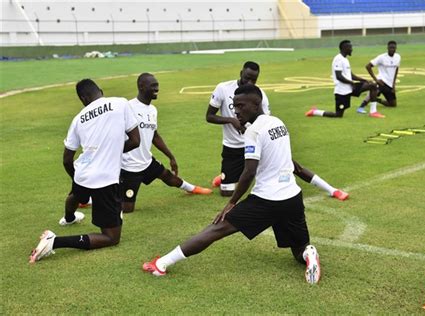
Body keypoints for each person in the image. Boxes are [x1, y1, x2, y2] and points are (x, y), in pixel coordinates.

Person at [143, 84, 322, 284]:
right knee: (299, 250)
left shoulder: (253, 132)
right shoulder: (278, 122)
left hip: (267, 200)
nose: (235, 110)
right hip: (292, 198)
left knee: (216, 229)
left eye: (241, 106)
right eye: (234, 106)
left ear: (256, 104)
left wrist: (232, 203)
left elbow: (249, 171)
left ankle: (162, 264)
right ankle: (309, 254)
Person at [29, 79, 140, 263]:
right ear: (101, 91)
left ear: (83, 98)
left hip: (82, 172)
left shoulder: (78, 119)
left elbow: (67, 159)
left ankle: (69, 217)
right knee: (111, 237)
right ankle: (53, 242)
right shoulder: (121, 103)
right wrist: (112, 151)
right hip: (105, 179)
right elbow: (135, 140)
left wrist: (76, 178)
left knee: (76, 195)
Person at [121, 73, 211, 213]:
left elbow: (154, 135)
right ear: (141, 86)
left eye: (157, 85)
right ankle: (88, 199)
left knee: (168, 177)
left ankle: (193, 189)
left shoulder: (152, 110)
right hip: (129, 166)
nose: (157, 88)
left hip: (146, 161)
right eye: (153, 86)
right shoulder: (127, 107)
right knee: (127, 208)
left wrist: (171, 157)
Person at [206, 61, 270, 196]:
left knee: (267, 184)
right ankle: (228, 175)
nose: (250, 82)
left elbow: (265, 122)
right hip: (232, 147)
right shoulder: (223, 88)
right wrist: (231, 121)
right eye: (247, 77)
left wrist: (250, 129)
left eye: (254, 79)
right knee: (226, 192)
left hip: (253, 144)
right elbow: (209, 116)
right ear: (241, 74)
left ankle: (242, 173)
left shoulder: (260, 95)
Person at [305, 40, 384, 118]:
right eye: (350, 47)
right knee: (338, 115)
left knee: (373, 85)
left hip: (350, 87)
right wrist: (351, 83)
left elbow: (350, 75)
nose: (352, 49)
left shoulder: (345, 59)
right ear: (344, 48)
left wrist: (364, 80)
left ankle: (373, 112)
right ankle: (314, 111)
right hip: (342, 91)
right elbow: (339, 76)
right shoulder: (338, 59)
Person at [358, 41, 401, 110]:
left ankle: (377, 100)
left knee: (393, 104)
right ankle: (362, 106)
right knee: (374, 91)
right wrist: (376, 80)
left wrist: (393, 85)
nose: (392, 49)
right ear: (387, 48)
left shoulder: (398, 57)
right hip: (382, 81)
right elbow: (368, 66)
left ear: (396, 48)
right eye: (390, 48)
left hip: (390, 84)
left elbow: (396, 70)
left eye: (394, 48)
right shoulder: (382, 57)